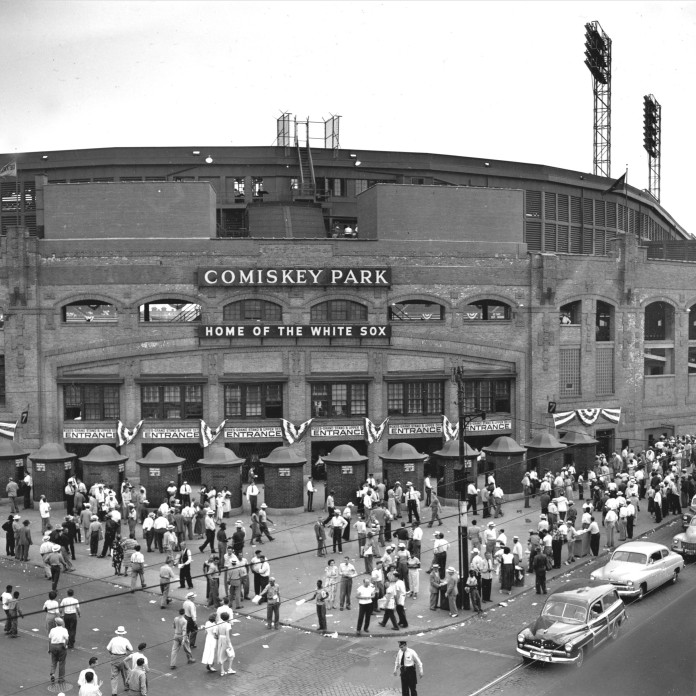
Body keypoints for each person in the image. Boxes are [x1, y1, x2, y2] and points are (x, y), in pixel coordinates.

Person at [106, 626, 133, 694]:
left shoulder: (113, 639)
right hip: (123, 658)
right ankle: (126, 686)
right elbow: (131, 649)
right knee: (125, 674)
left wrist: (112, 654)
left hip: (114, 658)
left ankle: (114, 692)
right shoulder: (125, 640)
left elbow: (108, 648)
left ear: (117, 632)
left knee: (114, 676)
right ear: (123, 633)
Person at [48, 616, 69, 684]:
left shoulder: (52, 630)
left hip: (53, 646)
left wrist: (49, 648)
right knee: (62, 663)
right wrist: (65, 646)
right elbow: (67, 639)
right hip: (61, 646)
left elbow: (49, 639)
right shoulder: (64, 630)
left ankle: (53, 674)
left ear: (56, 623)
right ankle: (61, 679)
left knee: (53, 661)